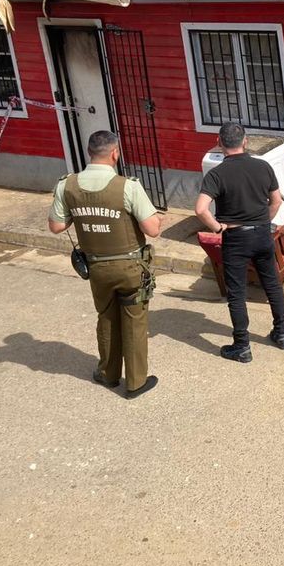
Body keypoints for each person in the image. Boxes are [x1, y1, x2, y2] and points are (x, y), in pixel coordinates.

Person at [48, 130, 162, 398]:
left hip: (97, 268)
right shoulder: (128, 186)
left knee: (107, 318)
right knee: (134, 321)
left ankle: (107, 374)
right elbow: (152, 229)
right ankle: (135, 382)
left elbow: (56, 226)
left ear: (89, 153)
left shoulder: (68, 185)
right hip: (131, 267)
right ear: (115, 153)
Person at [194, 122, 284, 363]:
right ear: (245, 142)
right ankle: (281, 333)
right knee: (272, 284)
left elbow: (200, 209)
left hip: (236, 239)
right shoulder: (263, 166)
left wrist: (217, 227)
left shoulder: (216, 174)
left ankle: (242, 345)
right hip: (261, 235)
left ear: (219, 142)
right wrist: (262, 221)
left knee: (237, 292)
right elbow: (276, 201)